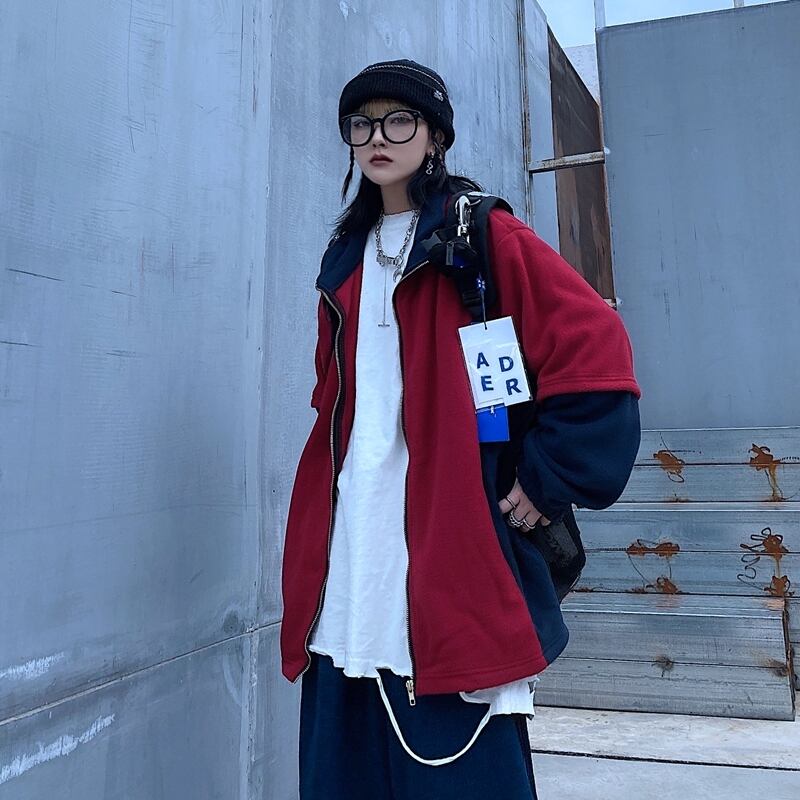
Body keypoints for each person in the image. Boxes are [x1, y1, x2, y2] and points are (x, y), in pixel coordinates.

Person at [280, 58, 642, 799]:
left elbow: (595, 347)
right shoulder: (343, 258)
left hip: (452, 538)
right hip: (351, 542)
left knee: (460, 762)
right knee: (347, 738)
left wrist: (547, 479)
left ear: (435, 136)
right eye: (361, 125)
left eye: (398, 120)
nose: (378, 138)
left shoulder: (479, 235)